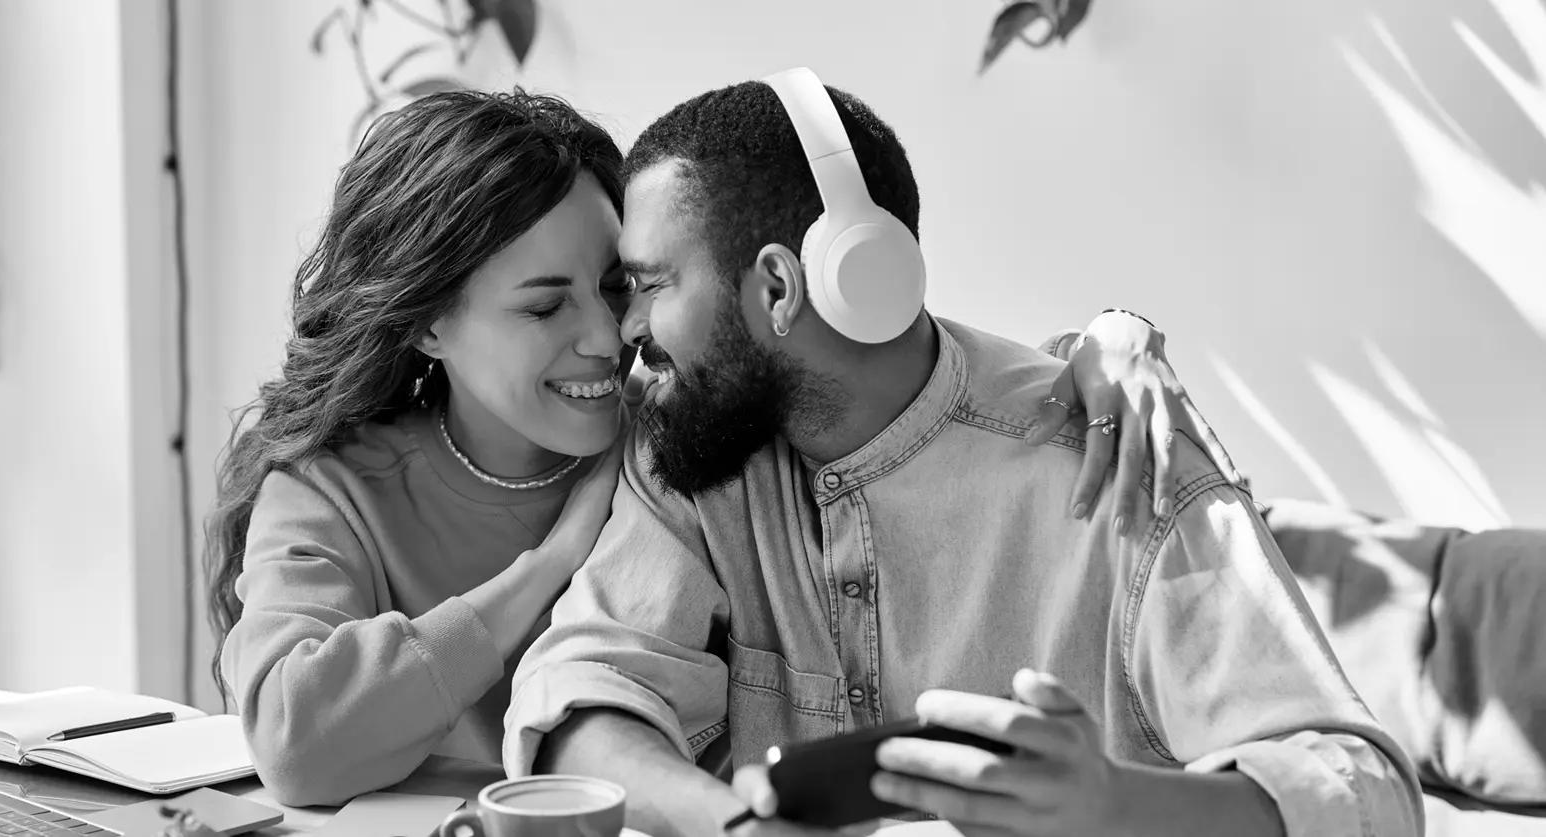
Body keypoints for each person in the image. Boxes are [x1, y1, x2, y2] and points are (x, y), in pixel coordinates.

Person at [206, 89, 1241, 808]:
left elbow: (881, 376)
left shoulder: (685, 430)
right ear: (427, 323)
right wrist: (548, 566)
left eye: (621, 287)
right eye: (541, 305)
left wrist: (1104, 340)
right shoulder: (333, 491)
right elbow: (300, 745)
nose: (607, 338)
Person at [502, 78, 1424, 836]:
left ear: (779, 287)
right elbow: (582, 696)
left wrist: (1111, 805)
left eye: (650, 286)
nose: (623, 330)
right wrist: (736, 828)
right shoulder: (699, 452)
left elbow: (1365, 791)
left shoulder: (1117, 459)